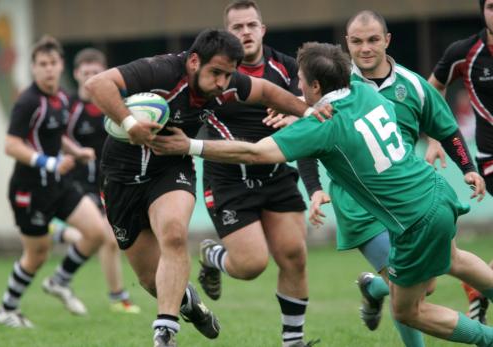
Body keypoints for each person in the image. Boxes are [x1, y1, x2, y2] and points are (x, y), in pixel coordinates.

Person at [150, 41, 493, 346]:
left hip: (414, 220)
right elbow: (320, 102)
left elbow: (256, 153)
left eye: (300, 80)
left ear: (315, 85)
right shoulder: (362, 88)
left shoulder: (323, 126)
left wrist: (190, 144)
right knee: (456, 260)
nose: (296, 85)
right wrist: (298, 106)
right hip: (437, 192)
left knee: (408, 311)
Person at [84, 29, 323, 346]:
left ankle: (165, 332)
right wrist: (130, 124)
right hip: (120, 178)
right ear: (194, 61)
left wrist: (307, 111)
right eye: (216, 74)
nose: (223, 83)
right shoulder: (161, 70)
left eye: (228, 75)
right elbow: (96, 84)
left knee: (173, 231)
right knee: (149, 279)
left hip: (170, 168)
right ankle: (188, 304)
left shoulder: (224, 85)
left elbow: (266, 91)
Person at [291, 10, 482, 347]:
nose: (365, 48)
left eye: (373, 40)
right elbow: (307, 140)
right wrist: (315, 189)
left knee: (431, 280)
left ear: (387, 41)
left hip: (410, 196)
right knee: (406, 292)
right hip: (361, 205)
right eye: (357, 41)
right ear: (346, 43)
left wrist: (467, 167)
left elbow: (447, 128)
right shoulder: (337, 86)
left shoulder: (413, 86)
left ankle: (372, 287)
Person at [192, 2, 320, 346]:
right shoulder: (213, 73)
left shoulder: (289, 68)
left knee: (294, 254)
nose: (245, 32)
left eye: (251, 25)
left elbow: (320, 106)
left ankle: (293, 341)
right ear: (226, 35)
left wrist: (297, 116)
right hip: (228, 178)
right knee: (250, 265)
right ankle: (211, 255)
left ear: (263, 29)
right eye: (237, 27)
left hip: (276, 173)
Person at [0, 35, 107, 328]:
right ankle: (6, 309)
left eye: (53, 63)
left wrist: (75, 151)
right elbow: (11, 145)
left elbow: (55, 136)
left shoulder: (62, 98)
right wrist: (49, 161)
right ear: (33, 68)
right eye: (42, 64)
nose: (48, 69)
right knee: (37, 254)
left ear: (61, 66)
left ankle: (60, 281)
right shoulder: (27, 101)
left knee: (96, 232)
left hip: (58, 184)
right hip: (28, 190)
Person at [48, 48, 141, 314]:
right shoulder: (70, 107)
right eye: (85, 72)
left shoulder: (115, 105)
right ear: (76, 74)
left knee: (110, 240)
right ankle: (118, 297)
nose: (90, 77)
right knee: (106, 238)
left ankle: (60, 238)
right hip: (79, 183)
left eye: (95, 72)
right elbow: (53, 138)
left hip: (110, 183)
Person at [428, 0, 493, 324]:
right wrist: (436, 136)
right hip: (490, 156)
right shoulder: (464, 52)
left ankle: (480, 283)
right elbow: (431, 90)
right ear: (482, 10)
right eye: (492, 6)